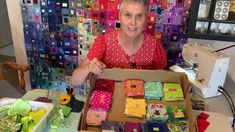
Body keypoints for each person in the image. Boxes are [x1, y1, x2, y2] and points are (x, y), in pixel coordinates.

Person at [71, 0, 167, 86]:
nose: (133, 23)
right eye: (128, 15)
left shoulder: (155, 45)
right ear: (119, 16)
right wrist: (89, 67)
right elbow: (75, 81)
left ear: (146, 19)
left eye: (139, 16)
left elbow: (162, 79)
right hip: (110, 100)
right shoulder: (103, 42)